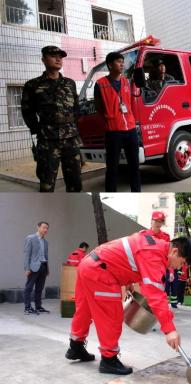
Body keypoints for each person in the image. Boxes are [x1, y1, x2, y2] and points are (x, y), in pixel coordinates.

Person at [66, 233, 191, 375]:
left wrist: (128, 281)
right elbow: (155, 295)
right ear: (175, 251)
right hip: (101, 273)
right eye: (182, 263)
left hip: (88, 265)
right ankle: (109, 361)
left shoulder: (153, 245)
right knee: (112, 316)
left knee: (84, 311)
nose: (179, 267)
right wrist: (170, 330)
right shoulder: (154, 256)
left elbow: (127, 259)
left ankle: (75, 347)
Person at [21, 46, 83, 192]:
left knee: (75, 183)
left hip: (71, 139)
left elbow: (76, 107)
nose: (58, 59)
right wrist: (38, 130)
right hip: (47, 141)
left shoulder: (70, 83)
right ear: (43, 59)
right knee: (47, 185)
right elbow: (26, 110)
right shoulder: (33, 85)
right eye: (53, 55)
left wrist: (73, 127)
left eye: (60, 56)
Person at [96, 51, 141, 192]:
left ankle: (137, 193)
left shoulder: (126, 81)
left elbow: (130, 103)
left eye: (123, 61)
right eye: (118, 61)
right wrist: (109, 124)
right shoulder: (100, 84)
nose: (122, 64)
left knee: (134, 166)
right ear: (110, 65)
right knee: (113, 168)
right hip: (113, 132)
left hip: (131, 130)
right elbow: (99, 109)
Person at [24, 221, 51, 315]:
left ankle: (38, 307)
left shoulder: (45, 242)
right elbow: (27, 254)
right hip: (33, 267)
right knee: (29, 287)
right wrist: (27, 268)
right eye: (44, 227)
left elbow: (45, 256)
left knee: (39, 288)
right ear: (38, 227)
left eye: (47, 228)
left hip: (43, 266)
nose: (45, 230)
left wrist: (47, 269)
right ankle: (27, 307)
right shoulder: (30, 238)